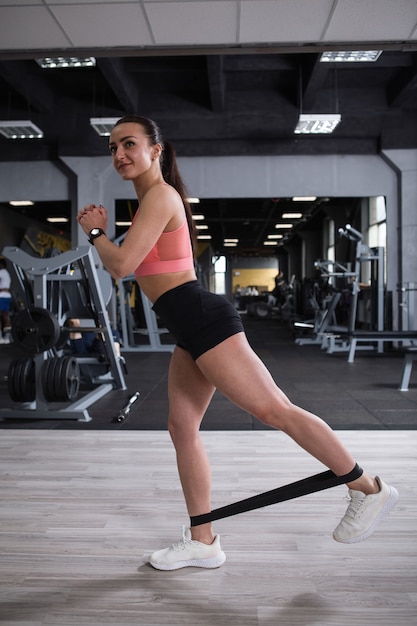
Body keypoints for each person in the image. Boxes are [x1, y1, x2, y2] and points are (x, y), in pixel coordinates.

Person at [77, 115, 398, 571]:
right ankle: (203, 540)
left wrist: (95, 233)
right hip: (186, 327)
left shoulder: (161, 196)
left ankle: (367, 488)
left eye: (128, 143)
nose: (119, 154)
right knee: (181, 428)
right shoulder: (150, 201)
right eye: (112, 148)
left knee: (275, 410)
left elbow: (122, 265)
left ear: (157, 151)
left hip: (202, 320)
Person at [0, 258, 12, 344]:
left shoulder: (2, 272)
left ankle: (0, 337)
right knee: (5, 317)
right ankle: (7, 338)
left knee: (2, 317)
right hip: (7, 296)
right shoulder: (7, 274)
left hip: (1, 296)